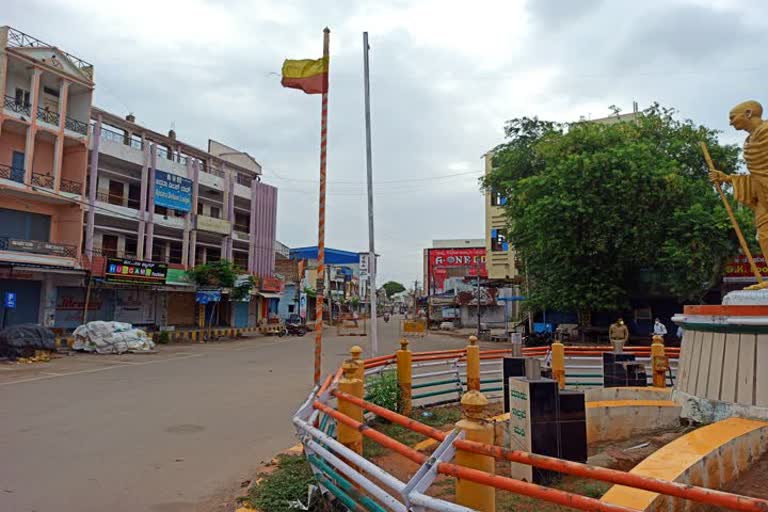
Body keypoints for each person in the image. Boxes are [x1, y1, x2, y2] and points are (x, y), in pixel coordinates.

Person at [710, 100, 768, 290]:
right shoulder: (750, 141)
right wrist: (727, 178)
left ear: (749, 113)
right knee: (764, 236)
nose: (730, 123)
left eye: (732, 117)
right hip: (764, 198)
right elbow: (759, 177)